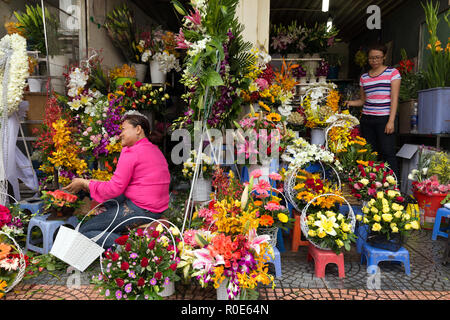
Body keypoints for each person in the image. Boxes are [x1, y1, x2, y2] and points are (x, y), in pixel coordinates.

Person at [63, 111, 171, 248]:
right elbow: (117, 186)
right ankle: (120, 230)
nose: (120, 134)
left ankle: (132, 246)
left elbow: (113, 189)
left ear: (138, 129)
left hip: (143, 208)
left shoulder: (132, 152)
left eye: (124, 129)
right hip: (156, 207)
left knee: (85, 231)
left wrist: (85, 183)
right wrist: (91, 185)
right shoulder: (154, 149)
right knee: (103, 194)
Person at [345, 43, 401, 176]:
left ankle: (395, 188)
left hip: (385, 119)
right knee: (370, 154)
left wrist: (391, 121)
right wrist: (350, 102)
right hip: (367, 120)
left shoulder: (392, 73)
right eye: (371, 58)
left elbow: (394, 98)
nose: (374, 61)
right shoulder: (364, 77)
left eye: (377, 57)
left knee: (388, 153)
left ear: (384, 57)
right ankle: (373, 186)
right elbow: (363, 101)